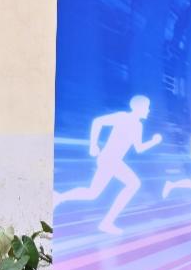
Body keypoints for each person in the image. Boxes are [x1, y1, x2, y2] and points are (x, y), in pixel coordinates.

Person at [53, 95, 163, 235]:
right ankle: (106, 222)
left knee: (93, 193)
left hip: (114, 161)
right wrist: (93, 145)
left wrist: (153, 142)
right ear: (139, 108)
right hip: (109, 159)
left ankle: (60, 197)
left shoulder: (138, 126)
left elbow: (139, 148)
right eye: (147, 107)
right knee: (132, 184)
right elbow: (98, 122)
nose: (148, 110)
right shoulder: (122, 117)